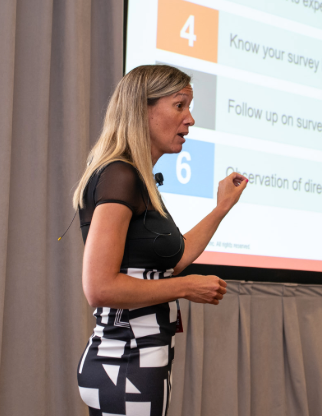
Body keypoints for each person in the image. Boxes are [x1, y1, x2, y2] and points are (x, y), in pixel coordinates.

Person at [73, 65, 248, 415]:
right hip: (125, 360)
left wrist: (220, 209)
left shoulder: (137, 178)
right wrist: (184, 288)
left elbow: (176, 258)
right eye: (180, 105)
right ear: (143, 109)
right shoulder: (120, 176)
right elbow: (100, 287)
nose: (191, 119)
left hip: (136, 360)